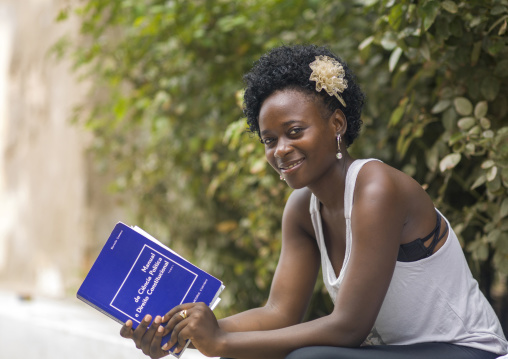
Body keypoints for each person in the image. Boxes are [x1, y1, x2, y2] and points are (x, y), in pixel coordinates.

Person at [119, 44, 508, 359]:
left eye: (294, 131)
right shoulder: (302, 211)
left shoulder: (377, 189)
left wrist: (221, 344)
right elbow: (279, 313)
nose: (281, 150)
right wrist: (187, 332)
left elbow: (348, 327)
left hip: (468, 349)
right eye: (270, 140)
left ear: (336, 125)